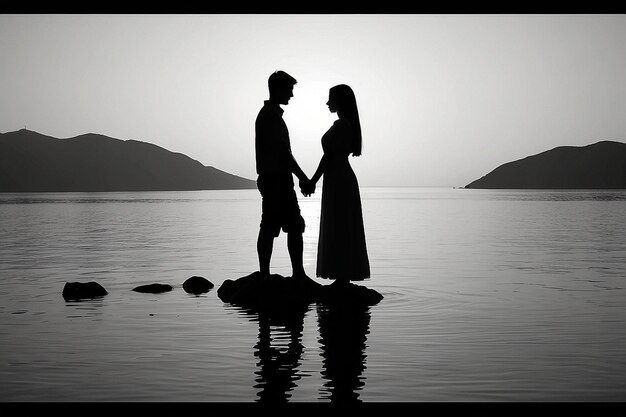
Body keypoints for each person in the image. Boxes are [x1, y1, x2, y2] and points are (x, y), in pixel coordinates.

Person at [307, 84, 370, 285]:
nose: (327, 103)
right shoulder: (344, 124)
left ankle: (343, 275)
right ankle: (342, 275)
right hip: (338, 177)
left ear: (340, 100)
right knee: (340, 223)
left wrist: (312, 181)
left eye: (330, 98)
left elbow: (329, 156)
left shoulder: (342, 125)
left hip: (339, 178)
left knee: (340, 223)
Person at [255, 70, 314, 279]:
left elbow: (283, 153)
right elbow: (283, 153)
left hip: (276, 178)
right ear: (277, 89)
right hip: (275, 179)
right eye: (289, 90)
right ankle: (287, 274)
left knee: (284, 225)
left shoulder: (271, 115)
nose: (291, 95)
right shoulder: (270, 116)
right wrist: (302, 177)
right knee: (280, 225)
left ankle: (285, 273)